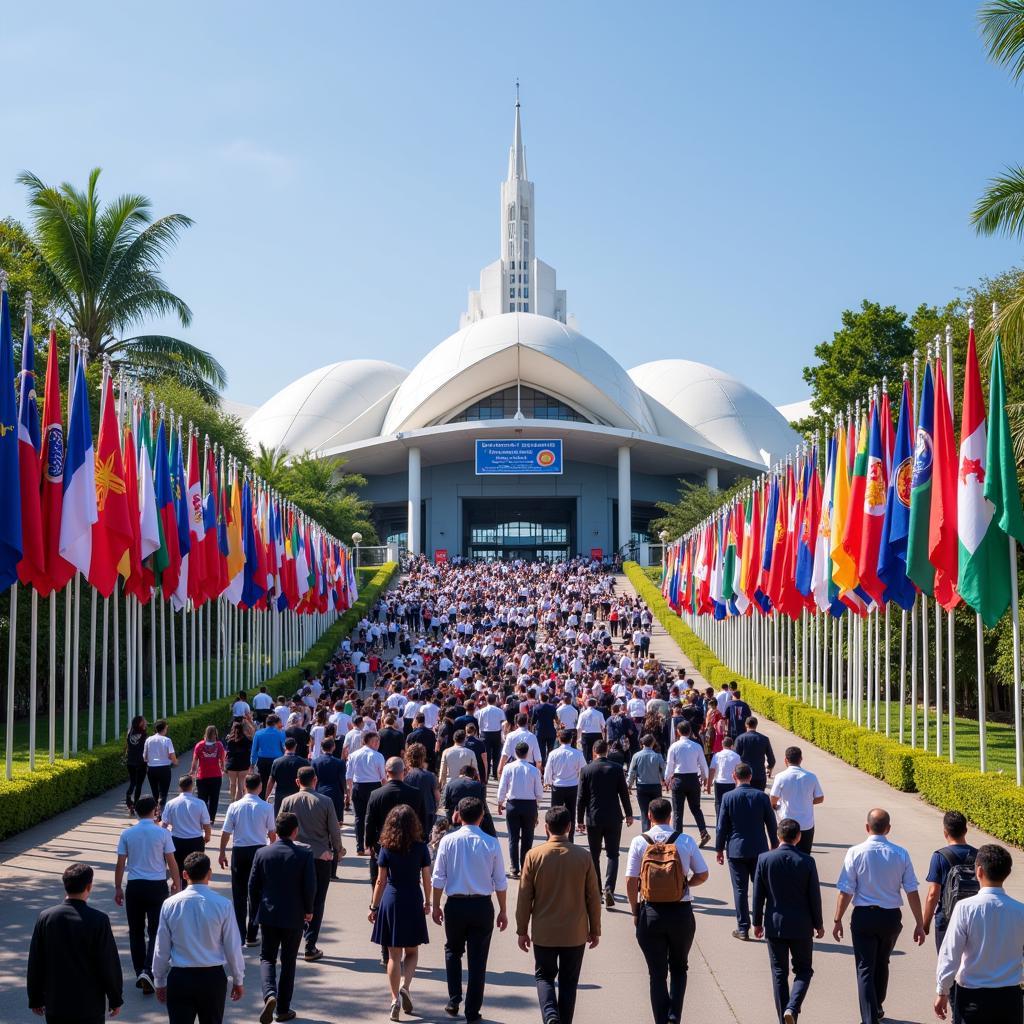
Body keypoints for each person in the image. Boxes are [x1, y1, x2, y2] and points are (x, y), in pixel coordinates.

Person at [833, 808, 926, 1024]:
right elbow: (911, 890)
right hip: (891, 918)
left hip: (864, 916)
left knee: (865, 966)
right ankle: (878, 1006)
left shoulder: (855, 852)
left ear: (867, 827)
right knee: (883, 961)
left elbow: (846, 889)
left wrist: (838, 920)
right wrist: (920, 923)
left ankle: (869, 1017)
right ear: (888, 829)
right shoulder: (901, 853)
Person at [625, 797, 709, 1024]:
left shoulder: (639, 842)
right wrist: (684, 885)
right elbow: (703, 874)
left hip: (650, 912)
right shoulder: (685, 840)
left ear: (649, 816)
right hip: (680, 912)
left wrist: (635, 911)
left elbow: (631, 881)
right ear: (670, 816)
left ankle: (661, 1020)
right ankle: (674, 1016)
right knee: (680, 967)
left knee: (656, 973)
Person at [516, 805, 602, 1024]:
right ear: (569, 827)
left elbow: (525, 896)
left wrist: (522, 929)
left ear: (546, 828)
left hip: (544, 931)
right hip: (575, 932)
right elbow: (593, 896)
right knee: (569, 981)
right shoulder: (583, 856)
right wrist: (595, 929)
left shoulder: (534, 856)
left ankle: (550, 1014)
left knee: (544, 976)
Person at [430, 797, 509, 1023]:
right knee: (478, 960)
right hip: (482, 905)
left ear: (458, 815)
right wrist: (503, 910)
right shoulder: (491, 843)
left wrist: (435, 905)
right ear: (482, 816)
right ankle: (472, 1011)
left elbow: (438, 877)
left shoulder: (448, 841)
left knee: (453, 951)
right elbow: (500, 881)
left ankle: (454, 998)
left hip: (455, 904)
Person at [935, 843, 1024, 1024]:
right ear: (1007, 872)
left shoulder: (965, 908)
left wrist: (942, 990)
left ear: (979, 871)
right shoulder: (1020, 910)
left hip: (973, 997)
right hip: (1010, 997)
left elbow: (950, 953)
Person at [151, 852, 244, 1024]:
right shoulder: (223, 905)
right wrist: (238, 978)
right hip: (212, 978)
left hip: (180, 978)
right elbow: (233, 946)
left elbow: (161, 947)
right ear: (209, 873)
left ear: (184, 875)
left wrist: (159, 979)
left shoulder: (170, 904)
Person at [27, 862, 123, 1024]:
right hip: (89, 1004)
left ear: (65, 885)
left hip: (56, 1003)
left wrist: (35, 997)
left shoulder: (46, 917)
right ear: (89, 886)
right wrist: (115, 998)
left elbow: (36, 960)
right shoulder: (98, 920)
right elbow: (108, 962)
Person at [752, 818, 824, 1024]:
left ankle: (783, 1018)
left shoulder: (764, 859)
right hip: (802, 925)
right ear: (799, 837)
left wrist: (756, 922)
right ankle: (792, 1007)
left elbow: (758, 895)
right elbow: (814, 897)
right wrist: (818, 924)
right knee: (804, 970)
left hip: (775, 925)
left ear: (777, 835)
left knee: (779, 973)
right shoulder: (807, 861)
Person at [248, 812, 317, 1024]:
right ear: (295, 831)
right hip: (294, 914)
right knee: (289, 961)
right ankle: (283, 1009)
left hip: (268, 914)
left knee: (267, 957)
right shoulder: (304, 855)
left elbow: (253, 885)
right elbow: (310, 886)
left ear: (276, 831)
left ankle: (270, 994)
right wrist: (309, 909)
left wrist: (256, 910)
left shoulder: (262, 853)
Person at [368, 804, 433, 1022]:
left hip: (392, 899)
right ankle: (406, 987)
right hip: (413, 897)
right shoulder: (421, 847)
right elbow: (426, 878)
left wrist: (373, 907)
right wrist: (428, 901)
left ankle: (394, 998)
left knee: (393, 955)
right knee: (412, 951)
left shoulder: (386, 847)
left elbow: (380, 881)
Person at [114, 795, 181, 993]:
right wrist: (177, 884)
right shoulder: (162, 833)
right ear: (155, 811)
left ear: (136, 811)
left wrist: (118, 887)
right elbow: (171, 861)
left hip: (134, 886)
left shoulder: (127, 833)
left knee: (135, 931)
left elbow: (120, 864)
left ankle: (139, 971)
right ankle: (148, 970)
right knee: (155, 931)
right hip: (156, 886)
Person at [281, 766, 344, 962]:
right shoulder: (325, 801)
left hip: (293, 856)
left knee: (295, 897)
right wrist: (338, 851)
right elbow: (334, 830)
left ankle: (291, 942)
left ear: (297, 781)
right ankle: (310, 945)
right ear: (315, 780)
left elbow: (280, 826)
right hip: (320, 857)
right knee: (317, 901)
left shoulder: (287, 801)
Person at [715, 762, 778, 940]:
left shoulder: (728, 797)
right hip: (759, 849)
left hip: (736, 850)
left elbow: (722, 827)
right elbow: (771, 824)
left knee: (740, 889)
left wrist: (719, 848)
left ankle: (743, 928)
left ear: (734, 776)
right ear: (750, 776)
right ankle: (765, 924)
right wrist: (774, 843)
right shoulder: (762, 797)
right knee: (762, 888)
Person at [218, 773, 276, 944]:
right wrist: (271, 852)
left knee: (239, 893)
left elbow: (226, 832)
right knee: (257, 893)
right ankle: (252, 933)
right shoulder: (266, 807)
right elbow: (272, 834)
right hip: (259, 852)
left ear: (244, 786)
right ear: (260, 787)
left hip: (239, 851)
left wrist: (222, 852)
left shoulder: (234, 806)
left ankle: (239, 934)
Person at [577, 738, 634, 908]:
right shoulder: (616, 769)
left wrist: (579, 819)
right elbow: (624, 793)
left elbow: (581, 798)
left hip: (594, 817)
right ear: (607, 751)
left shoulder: (586, 770)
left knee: (594, 855)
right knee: (613, 854)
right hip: (613, 817)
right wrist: (629, 814)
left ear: (594, 751)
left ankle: (598, 889)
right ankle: (609, 888)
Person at [923, 810, 979, 951]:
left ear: (945, 832)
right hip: (973, 916)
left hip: (947, 917)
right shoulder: (978, 855)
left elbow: (933, 894)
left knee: (946, 963)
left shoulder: (940, 856)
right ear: (966, 830)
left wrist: (925, 923)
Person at [497, 740, 545, 878]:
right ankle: (525, 865)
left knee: (513, 837)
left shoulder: (508, 768)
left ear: (515, 753)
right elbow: (539, 793)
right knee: (527, 837)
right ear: (528, 753)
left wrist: (500, 802)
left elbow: (502, 787)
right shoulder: (534, 770)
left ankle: (514, 867)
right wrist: (537, 803)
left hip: (513, 804)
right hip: (529, 805)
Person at [769, 748, 824, 854]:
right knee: (804, 855)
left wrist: (775, 805)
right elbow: (820, 798)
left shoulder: (780, 777)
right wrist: (808, 801)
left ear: (785, 760)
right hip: (806, 824)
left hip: (786, 823)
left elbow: (773, 798)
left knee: (785, 855)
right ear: (801, 759)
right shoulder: (811, 777)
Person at [664, 722, 710, 848]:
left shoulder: (674, 746)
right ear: (690, 731)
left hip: (679, 779)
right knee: (696, 808)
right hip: (693, 778)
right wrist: (705, 779)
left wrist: (667, 779)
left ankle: (678, 838)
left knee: (678, 811)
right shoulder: (696, 746)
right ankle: (703, 832)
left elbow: (670, 765)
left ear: (678, 732)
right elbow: (703, 764)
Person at [161, 775, 212, 882]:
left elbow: (164, 825)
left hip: (176, 840)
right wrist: (207, 837)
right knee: (196, 871)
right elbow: (206, 824)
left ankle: (179, 889)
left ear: (179, 787)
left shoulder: (171, 803)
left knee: (178, 869)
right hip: (196, 841)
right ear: (192, 786)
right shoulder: (200, 803)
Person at [543, 729, 586, 841]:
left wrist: (547, 782)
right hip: (572, 786)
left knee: (554, 813)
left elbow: (548, 769)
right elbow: (583, 770)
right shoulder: (578, 753)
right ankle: (570, 838)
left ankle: (551, 837)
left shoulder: (553, 753)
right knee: (571, 813)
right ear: (571, 740)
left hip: (557, 786)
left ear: (559, 739)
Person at [348, 731, 386, 856]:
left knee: (359, 818)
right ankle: (371, 845)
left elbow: (348, 776)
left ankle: (360, 846)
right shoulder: (378, 756)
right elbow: (383, 778)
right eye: (376, 741)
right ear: (369, 741)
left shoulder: (353, 755)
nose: (378, 743)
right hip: (373, 787)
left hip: (358, 786)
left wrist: (349, 791)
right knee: (372, 818)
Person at [627, 732, 667, 831]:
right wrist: (664, 780)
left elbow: (632, 772)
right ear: (653, 743)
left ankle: (646, 834)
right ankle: (657, 832)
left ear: (642, 743)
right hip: (655, 786)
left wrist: (629, 785)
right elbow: (663, 769)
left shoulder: (636, 756)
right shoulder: (658, 756)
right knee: (657, 812)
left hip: (642, 787)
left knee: (644, 813)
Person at [191, 726, 227, 824]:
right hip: (216, 775)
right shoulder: (219, 745)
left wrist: (192, 771)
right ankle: (211, 819)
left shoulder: (199, 745)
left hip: (202, 776)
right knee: (214, 799)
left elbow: (195, 760)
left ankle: (203, 818)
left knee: (202, 799)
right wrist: (223, 768)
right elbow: (222, 759)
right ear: (215, 734)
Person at [266, 738, 310, 816]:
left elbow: (271, 781)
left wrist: (267, 796)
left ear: (284, 747)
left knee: (280, 820)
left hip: (280, 796)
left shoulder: (276, 762)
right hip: (297, 795)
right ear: (295, 746)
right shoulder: (303, 762)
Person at [404, 742, 440, 834]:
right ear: (423, 757)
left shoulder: (405, 776)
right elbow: (437, 797)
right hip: (427, 812)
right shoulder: (431, 776)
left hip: (409, 813)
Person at [733, 717, 775, 792]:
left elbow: (735, 757)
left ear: (746, 725)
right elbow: (771, 759)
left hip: (743, 775)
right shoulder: (764, 739)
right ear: (756, 725)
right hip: (759, 775)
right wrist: (769, 767)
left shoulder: (740, 738)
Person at [144, 719, 178, 810]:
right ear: (163, 729)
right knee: (163, 792)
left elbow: (145, 757)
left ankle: (155, 811)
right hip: (164, 769)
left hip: (151, 769)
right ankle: (161, 810)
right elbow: (172, 755)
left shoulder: (148, 740)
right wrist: (175, 762)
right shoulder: (167, 740)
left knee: (154, 792)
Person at [707, 736, 741, 820]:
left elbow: (712, 770)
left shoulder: (717, 755)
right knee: (731, 803)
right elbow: (739, 771)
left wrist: (708, 784)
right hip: (731, 783)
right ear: (732, 746)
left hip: (719, 782)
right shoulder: (736, 756)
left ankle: (719, 822)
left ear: (722, 744)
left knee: (718, 803)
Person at [250, 715, 286, 793]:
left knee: (263, 781)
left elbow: (254, 749)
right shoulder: (281, 733)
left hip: (262, 760)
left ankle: (263, 799)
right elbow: (283, 748)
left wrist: (252, 763)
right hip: (277, 760)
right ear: (275, 723)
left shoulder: (258, 733)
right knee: (277, 781)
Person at [223, 719, 254, 803]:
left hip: (232, 764)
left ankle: (232, 800)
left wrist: (224, 765)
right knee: (241, 785)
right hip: (243, 764)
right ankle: (239, 801)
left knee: (232, 784)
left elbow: (227, 753)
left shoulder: (229, 740)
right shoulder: (247, 740)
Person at [125, 715, 149, 815]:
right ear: (140, 723)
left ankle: (128, 799)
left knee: (132, 782)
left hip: (130, 761)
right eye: (144, 721)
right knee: (139, 784)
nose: (146, 722)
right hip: (141, 762)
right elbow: (146, 748)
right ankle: (135, 805)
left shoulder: (130, 733)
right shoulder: (143, 734)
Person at [577, 698, 605, 763]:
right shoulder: (599, 714)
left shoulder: (583, 714)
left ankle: (587, 767)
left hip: (586, 735)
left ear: (587, 704)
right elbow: (603, 725)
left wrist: (579, 738)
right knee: (597, 751)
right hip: (597, 734)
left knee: (586, 753)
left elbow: (579, 727)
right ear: (595, 705)